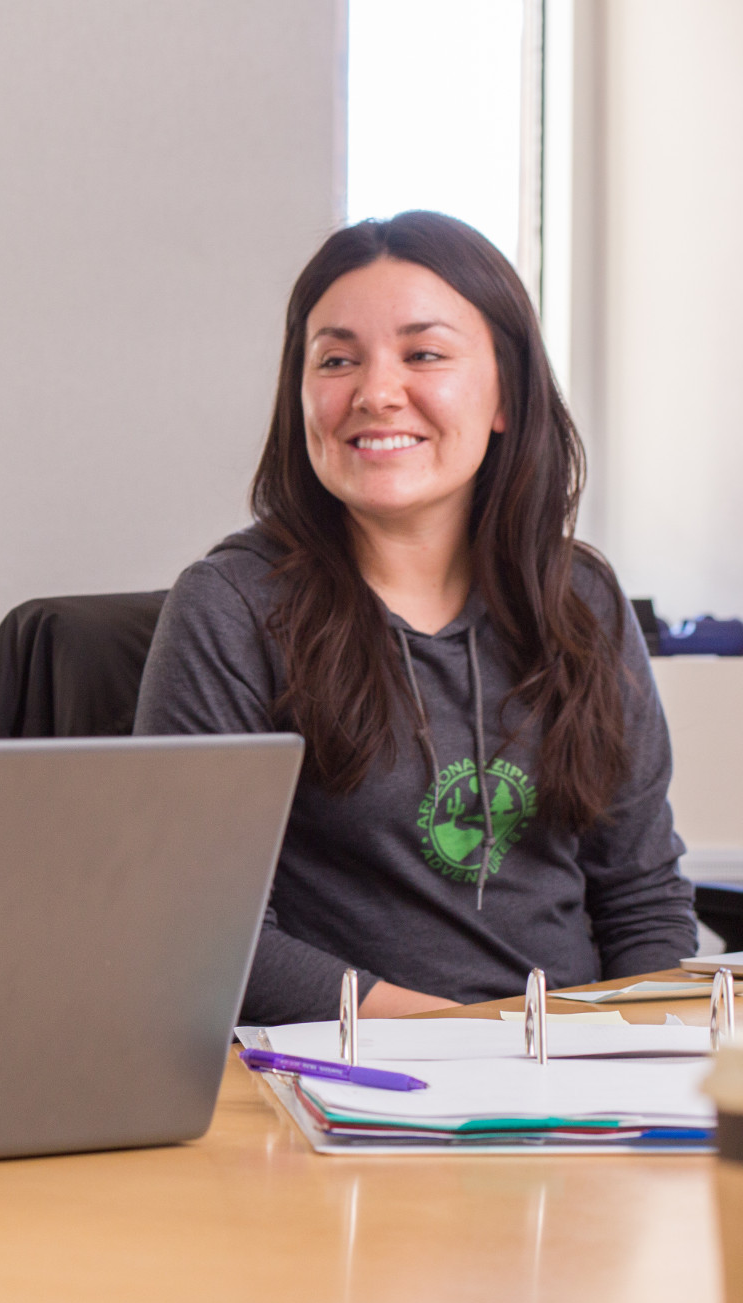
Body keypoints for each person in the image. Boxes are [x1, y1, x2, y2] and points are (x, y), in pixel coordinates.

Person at [135, 211, 696, 1025]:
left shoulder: (580, 601)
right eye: (336, 359)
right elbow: (204, 932)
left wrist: (643, 1063)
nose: (375, 392)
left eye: (424, 353)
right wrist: (473, 1042)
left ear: (506, 392)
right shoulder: (232, 608)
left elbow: (642, 899)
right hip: (349, 1085)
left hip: (575, 1081)